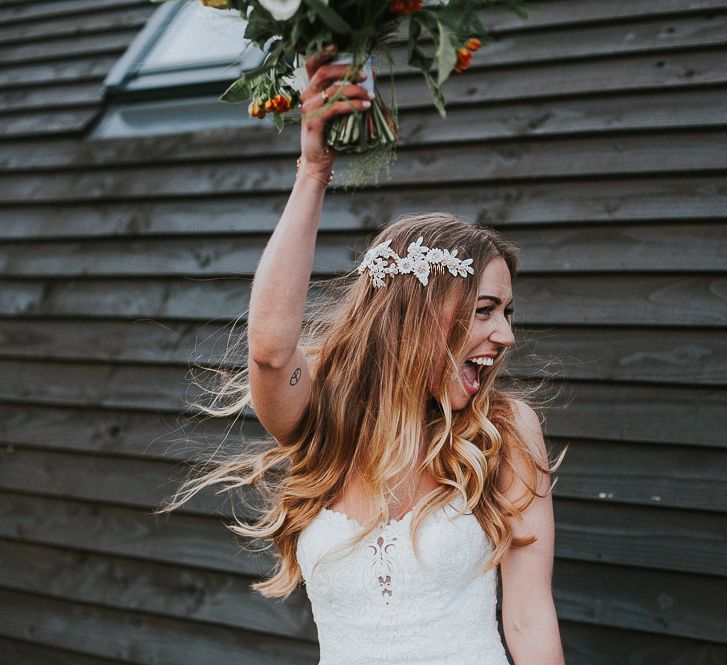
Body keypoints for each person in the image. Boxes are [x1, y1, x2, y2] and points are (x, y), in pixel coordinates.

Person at [157, 49, 567, 665]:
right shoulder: (323, 419)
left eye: (506, 314)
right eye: (485, 310)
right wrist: (313, 171)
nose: (505, 336)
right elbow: (270, 354)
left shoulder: (506, 432)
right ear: (418, 314)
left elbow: (530, 614)